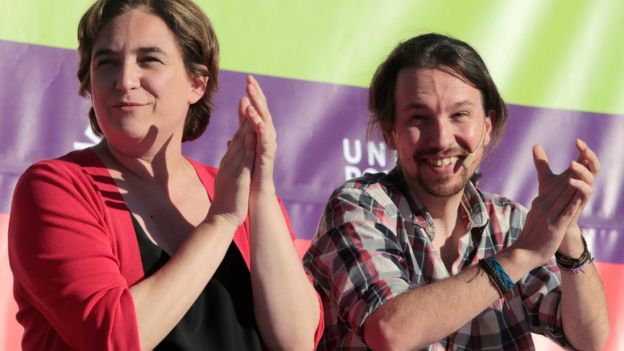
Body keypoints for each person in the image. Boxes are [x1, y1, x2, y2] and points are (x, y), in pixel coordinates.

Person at [8, 0, 321, 350]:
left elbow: (297, 342)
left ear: (197, 83)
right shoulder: (56, 187)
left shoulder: (245, 195)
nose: (125, 80)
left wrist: (260, 193)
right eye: (107, 62)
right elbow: (112, 338)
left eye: (149, 60)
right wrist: (220, 222)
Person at [304, 33, 609, 350]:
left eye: (459, 115)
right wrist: (518, 258)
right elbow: (390, 332)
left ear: (487, 126)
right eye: (419, 118)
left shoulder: (510, 222)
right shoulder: (359, 206)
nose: (441, 139)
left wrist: (569, 239)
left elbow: (589, 340)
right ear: (390, 131)